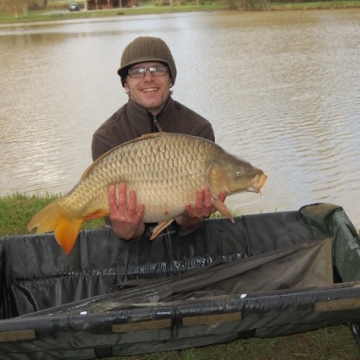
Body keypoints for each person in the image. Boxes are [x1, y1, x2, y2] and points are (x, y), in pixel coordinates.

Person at [92, 36, 226, 240]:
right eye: (137, 72)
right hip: (132, 244)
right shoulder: (107, 136)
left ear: (170, 79)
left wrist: (191, 218)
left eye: (157, 69)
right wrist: (125, 229)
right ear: (125, 84)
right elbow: (125, 231)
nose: (148, 78)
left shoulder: (198, 129)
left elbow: (188, 221)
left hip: (187, 240)